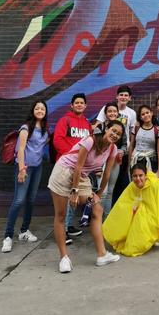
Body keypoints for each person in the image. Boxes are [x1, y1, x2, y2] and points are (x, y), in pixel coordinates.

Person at [48, 120, 124, 272]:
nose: (115, 135)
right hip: (64, 172)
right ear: (106, 129)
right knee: (61, 215)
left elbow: (107, 173)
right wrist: (75, 191)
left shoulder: (112, 149)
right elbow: (78, 165)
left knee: (97, 209)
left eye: (119, 134)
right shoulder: (90, 140)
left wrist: (99, 194)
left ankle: (102, 255)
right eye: (113, 131)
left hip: (81, 177)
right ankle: (64, 258)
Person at [102, 162, 159, 257]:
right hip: (147, 208)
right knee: (128, 211)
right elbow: (122, 204)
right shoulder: (131, 186)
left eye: (140, 175)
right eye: (135, 176)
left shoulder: (155, 186)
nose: (138, 179)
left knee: (142, 215)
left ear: (145, 176)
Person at [2, 100, 49, 253]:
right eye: (37, 108)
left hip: (37, 168)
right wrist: (22, 169)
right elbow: (20, 149)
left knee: (31, 199)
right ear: (33, 110)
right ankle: (8, 236)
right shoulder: (25, 127)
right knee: (19, 200)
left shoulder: (45, 130)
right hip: (24, 167)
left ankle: (24, 231)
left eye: (43, 108)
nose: (40, 110)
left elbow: (42, 145)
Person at [52, 92, 92, 243]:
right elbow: (58, 140)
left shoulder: (87, 124)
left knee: (74, 198)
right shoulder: (65, 120)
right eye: (77, 103)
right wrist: (71, 157)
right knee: (66, 197)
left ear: (85, 106)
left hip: (80, 168)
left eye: (82, 102)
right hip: (66, 165)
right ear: (72, 105)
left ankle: (68, 226)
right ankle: (63, 231)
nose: (79, 105)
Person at [96, 85, 136, 203]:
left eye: (126, 95)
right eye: (121, 95)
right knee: (101, 188)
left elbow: (131, 134)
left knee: (114, 187)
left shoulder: (132, 113)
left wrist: (127, 150)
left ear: (129, 98)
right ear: (117, 96)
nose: (123, 97)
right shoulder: (106, 108)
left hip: (120, 153)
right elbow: (98, 126)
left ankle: (110, 216)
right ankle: (97, 216)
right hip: (102, 154)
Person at [97, 101, 128, 217]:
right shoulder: (100, 127)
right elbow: (96, 145)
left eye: (114, 111)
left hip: (115, 161)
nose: (112, 113)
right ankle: (97, 219)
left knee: (110, 191)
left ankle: (107, 219)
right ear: (105, 113)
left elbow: (125, 144)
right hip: (101, 162)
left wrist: (121, 151)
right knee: (102, 192)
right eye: (109, 111)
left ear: (118, 113)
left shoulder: (121, 127)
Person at [129, 104, 159, 174]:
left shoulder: (157, 130)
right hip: (136, 160)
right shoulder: (136, 128)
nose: (146, 115)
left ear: (151, 113)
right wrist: (129, 163)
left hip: (151, 161)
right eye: (143, 114)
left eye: (147, 112)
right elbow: (131, 145)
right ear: (140, 117)